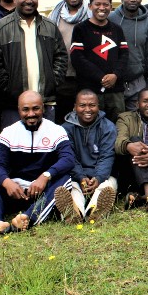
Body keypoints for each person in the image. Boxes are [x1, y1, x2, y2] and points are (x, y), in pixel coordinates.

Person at [0, 91, 75, 236]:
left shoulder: (56, 130)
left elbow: (68, 159)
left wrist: (45, 176)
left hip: (43, 193)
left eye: (35, 108)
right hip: (15, 192)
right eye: (25, 109)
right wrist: (7, 182)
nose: (31, 114)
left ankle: (28, 217)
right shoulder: (8, 132)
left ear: (43, 108)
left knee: (65, 181)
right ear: (18, 110)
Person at [0, 0, 68, 126]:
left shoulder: (49, 26)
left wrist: (53, 82)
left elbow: (61, 56)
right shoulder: (0, 28)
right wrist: (8, 89)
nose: (29, 1)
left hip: (46, 102)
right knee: (15, 147)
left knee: (45, 146)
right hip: (13, 105)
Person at [56, 90, 117, 222]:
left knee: (108, 185)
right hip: (76, 176)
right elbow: (69, 157)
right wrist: (81, 177)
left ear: (98, 106)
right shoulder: (65, 129)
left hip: (100, 176)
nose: (87, 109)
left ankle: (94, 211)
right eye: (82, 105)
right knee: (72, 187)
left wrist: (98, 178)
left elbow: (107, 156)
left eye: (92, 105)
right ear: (75, 107)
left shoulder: (108, 127)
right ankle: (74, 212)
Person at [69, 0, 129, 121]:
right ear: (90, 6)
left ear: (111, 7)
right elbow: (77, 58)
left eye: (106, 4)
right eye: (97, 4)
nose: (102, 8)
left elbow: (124, 55)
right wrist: (101, 77)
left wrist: (115, 75)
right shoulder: (80, 29)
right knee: (91, 125)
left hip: (115, 90)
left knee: (118, 125)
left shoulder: (117, 29)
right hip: (90, 90)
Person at [108, 0, 148, 111]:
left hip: (137, 81)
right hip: (113, 81)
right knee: (115, 120)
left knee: (137, 122)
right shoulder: (110, 19)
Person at [48, 0, 89, 124]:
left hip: (87, 78)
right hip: (62, 78)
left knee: (85, 119)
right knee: (62, 121)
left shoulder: (92, 14)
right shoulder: (53, 17)